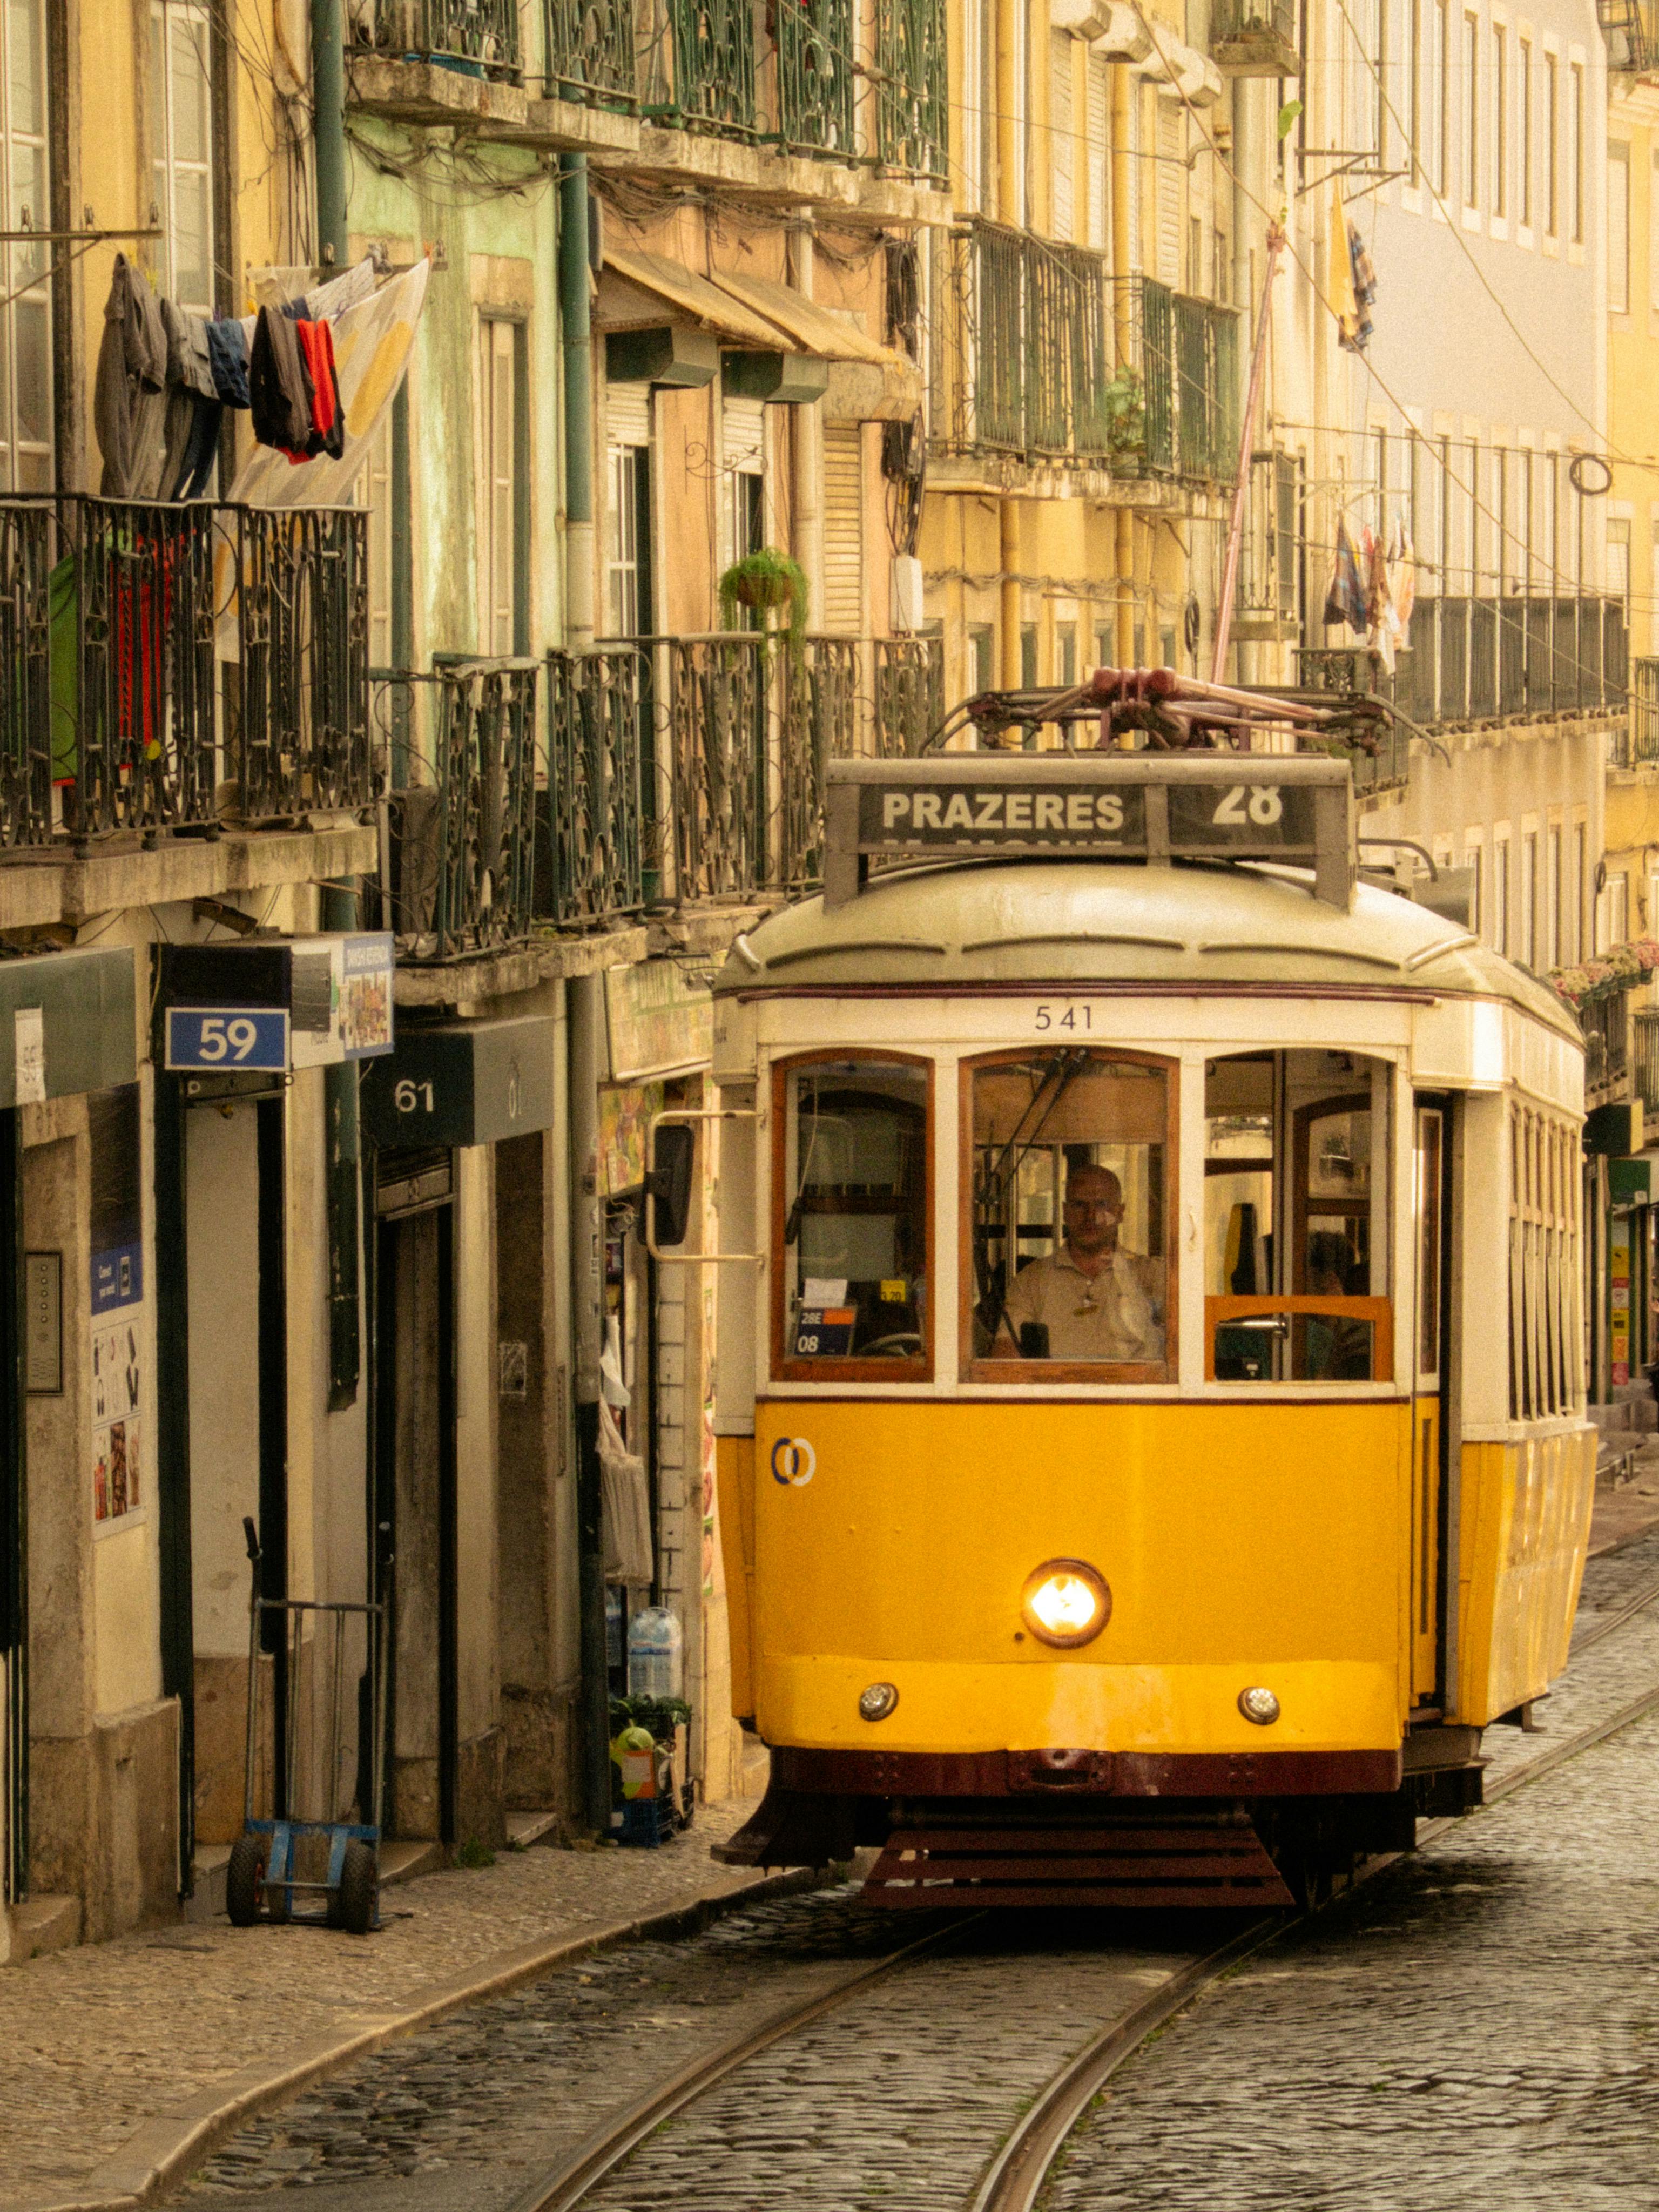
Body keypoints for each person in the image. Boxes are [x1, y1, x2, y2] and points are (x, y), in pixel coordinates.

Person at [997, 1162, 1164, 1362]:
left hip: (1133, 1391)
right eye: (1079, 1205)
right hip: (1055, 1391)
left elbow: (1186, 1347)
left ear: (1120, 1212)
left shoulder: (1151, 1275)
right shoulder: (1032, 1281)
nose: (1091, 1216)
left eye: (1102, 1204)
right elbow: (1005, 1356)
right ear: (1065, 1212)